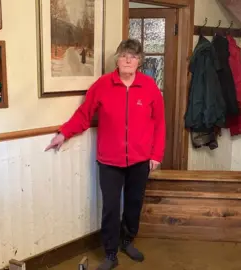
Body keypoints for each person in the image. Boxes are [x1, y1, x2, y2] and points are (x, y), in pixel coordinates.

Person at [45, 39, 166, 270]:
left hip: (141, 160)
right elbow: (83, 114)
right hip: (109, 161)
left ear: (139, 61)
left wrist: (156, 154)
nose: (128, 60)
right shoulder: (102, 85)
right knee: (110, 207)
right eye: (124, 55)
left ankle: (128, 241)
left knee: (133, 204)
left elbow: (160, 124)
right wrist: (63, 134)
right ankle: (110, 253)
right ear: (118, 60)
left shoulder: (150, 87)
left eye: (133, 56)